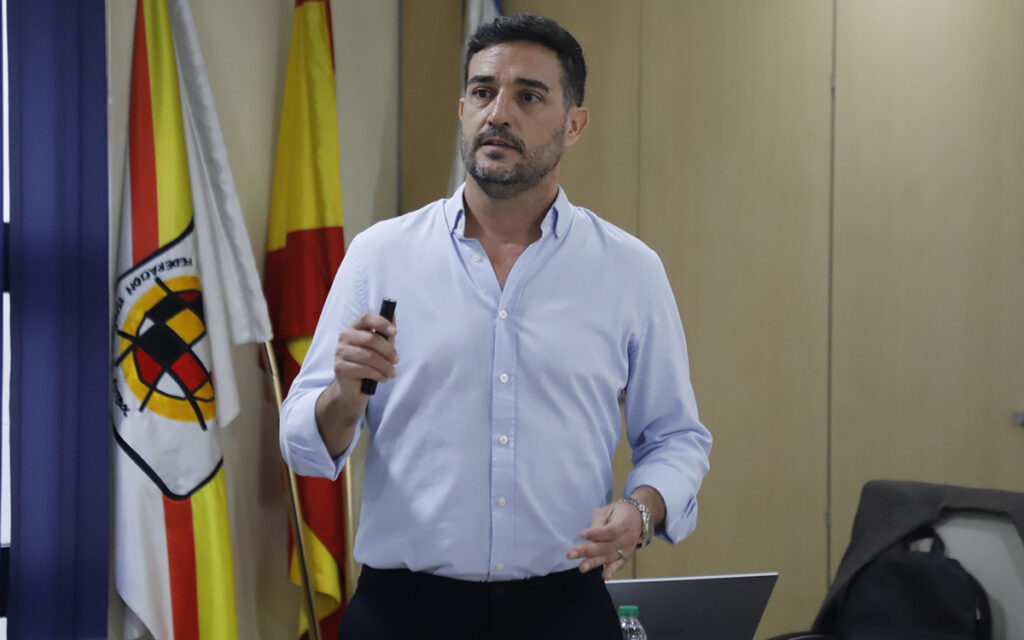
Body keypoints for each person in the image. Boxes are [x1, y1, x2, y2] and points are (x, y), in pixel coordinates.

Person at [280, 12, 712, 640]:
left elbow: (676, 436)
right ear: (462, 110)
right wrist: (344, 397)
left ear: (574, 124)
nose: (498, 112)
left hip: (566, 610)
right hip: (403, 614)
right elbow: (300, 442)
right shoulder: (382, 256)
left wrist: (642, 514)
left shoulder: (629, 271)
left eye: (528, 95)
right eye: (483, 92)